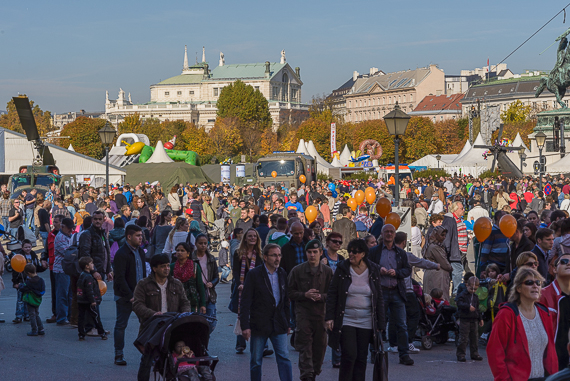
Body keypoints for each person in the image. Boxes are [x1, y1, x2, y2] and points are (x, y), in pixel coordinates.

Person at [326, 238, 386, 380]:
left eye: (355, 252)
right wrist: (329, 317)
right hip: (346, 319)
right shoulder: (343, 268)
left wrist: (381, 324)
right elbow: (332, 293)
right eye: (349, 251)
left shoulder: (373, 269)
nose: (351, 255)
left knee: (361, 357)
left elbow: (379, 298)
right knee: (349, 355)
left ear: (363, 254)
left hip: (366, 321)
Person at [488, 268, 558, 380]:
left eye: (538, 283)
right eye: (529, 282)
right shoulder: (506, 314)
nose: (535, 286)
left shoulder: (545, 313)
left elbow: (551, 352)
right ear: (518, 288)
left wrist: (554, 376)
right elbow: (495, 351)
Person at [133, 254, 191, 381]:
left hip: (173, 326)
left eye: (167, 266)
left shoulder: (176, 283)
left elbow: (185, 302)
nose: (166, 269)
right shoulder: (143, 284)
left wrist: (184, 315)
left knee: (173, 358)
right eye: (162, 266)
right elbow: (137, 304)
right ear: (154, 268)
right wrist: (152, 313)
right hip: (153, 327)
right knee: (147, 360)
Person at [240, 244, 293, 381]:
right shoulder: (254, 274)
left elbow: (286, 300)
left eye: (279, 255)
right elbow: (245, 302)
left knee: (284, 358)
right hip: (260, 323)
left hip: (279, 322)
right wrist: (245, 326)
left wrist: (288, 322)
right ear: (265, 257)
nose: (277, 258)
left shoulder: (282, 273)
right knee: (256, 361)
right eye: (274, 255)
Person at [288, 239, 333, 381]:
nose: (312, 255)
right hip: (304, 314)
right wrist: (304, 295)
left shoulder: (327, 272)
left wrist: (321, 296)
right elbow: (289, 292)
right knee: (305, 347)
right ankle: (307, 376)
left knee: (320, 347)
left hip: (321, 314)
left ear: (320, 253)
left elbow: (333, 294)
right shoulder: (297, 270)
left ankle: (314, 372)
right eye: (309, 252)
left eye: (315, 252)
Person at [369, 224, 414, 365]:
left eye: (391, 232)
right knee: (377, 324)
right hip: (380, 291)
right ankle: (374, 353)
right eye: (386, 232)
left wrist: (397, 273)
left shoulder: (400, 253)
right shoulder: (375, 251)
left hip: (396, 291)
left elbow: (407, 269)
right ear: (382, 234)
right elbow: (368, 265)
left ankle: (404, 355)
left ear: (395, 235)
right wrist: (379, 269)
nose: (389, 234)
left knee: (402, 324)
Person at [393, 231, 439, 353]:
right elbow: (422, 262)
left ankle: (394, 343)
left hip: (392, 289)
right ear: (404, 242)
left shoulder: (389, 254)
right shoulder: (406, 255)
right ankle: (408, 342)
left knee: (394, 317)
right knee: (414, 315)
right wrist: (436, 265)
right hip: (406, 290)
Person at [112, 224, 148, 366]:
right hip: (124, 296)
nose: (141, 238)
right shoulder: (122, 253)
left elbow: (143, 274)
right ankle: (118, 354)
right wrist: (130, 295)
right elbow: (119, 278)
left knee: (147, 323)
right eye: (138, 236)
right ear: (129, 237)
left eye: (141, 235)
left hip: (140, 295)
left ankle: (148, 352)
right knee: (121, 325)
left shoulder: (140, 252)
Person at [231, 228, 263, 354]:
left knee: (258, 314)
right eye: (250, 236)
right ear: (245, 238)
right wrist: (240, 284)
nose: (252, 238)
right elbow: (236, 271)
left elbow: (261, 271)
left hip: (256, 288)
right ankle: (240, 343)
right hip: (242, 288)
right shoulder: (238, 253)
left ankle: (262, 345)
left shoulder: (260, 253)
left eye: (254, 236)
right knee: (242, 314)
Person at [541, 252, 570, 370]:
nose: (569, 264)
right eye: (564, 262)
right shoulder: (542, 295)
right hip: (550, 363)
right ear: (554, 269)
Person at [192, 234, 219, 334]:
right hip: (197, 294)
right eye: (200, 243)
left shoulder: (211, 258)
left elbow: (216, 276)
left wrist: (212, 283)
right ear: (196, 244)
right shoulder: (191, 258)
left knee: (211, 321)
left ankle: (204, 339)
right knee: (197, 321)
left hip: (209, 293)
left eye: (205, 243)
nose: (203, 246)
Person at [76, 256, 107, 341]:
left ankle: (81, 334)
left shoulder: (81, 275)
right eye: (91, 263)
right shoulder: (89, 277)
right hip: (88, 301)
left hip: (81, 300)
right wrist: (93, 300)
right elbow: (89, 290)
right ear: (87, 266)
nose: (93, 265)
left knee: (81, 317)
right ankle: (102, 332)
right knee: (95, 317)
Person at [455, 276, 484, 362]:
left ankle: (474, 353)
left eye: (475, 289)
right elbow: (459, 303)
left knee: (474, 338)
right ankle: (461, 354)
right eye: (471, 289)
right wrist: (467, 307)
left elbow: (477, 309)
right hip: (465, 319)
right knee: (463, 338)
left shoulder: (475, 297)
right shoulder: (462, 295)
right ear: (467, 285)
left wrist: (480, 318)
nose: (473, 291)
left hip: (474, 319)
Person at [53, 218, 75, 325]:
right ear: (62, 227)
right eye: (69, 228)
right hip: (61, 269)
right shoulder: (60, 237)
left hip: (69, 269)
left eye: (72, 228)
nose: (71, 230)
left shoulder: (69, 236)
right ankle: (61, 317)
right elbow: (68, 253)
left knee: (70, 294)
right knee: (62, 294)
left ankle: (69, 316)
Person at [423, 226, 452, 301]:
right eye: (442, 235)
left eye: (445, 235)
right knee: (437, 299)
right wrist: (450, 268)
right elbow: (444, 263)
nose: (444, 237)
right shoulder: (434, 247)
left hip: (435, 274)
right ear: (436, 235)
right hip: (436, 276)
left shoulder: (434, 245)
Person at [18, 263, 45, 336]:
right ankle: (41, 328)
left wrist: (20, 285)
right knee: (36, 314)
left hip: (30, 300)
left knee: (32, 315)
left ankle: (34, 330)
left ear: (29, 273)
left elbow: (23, 288)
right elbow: (43, 290)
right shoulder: (41, 280)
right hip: (38, 299)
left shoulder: (29, 282)